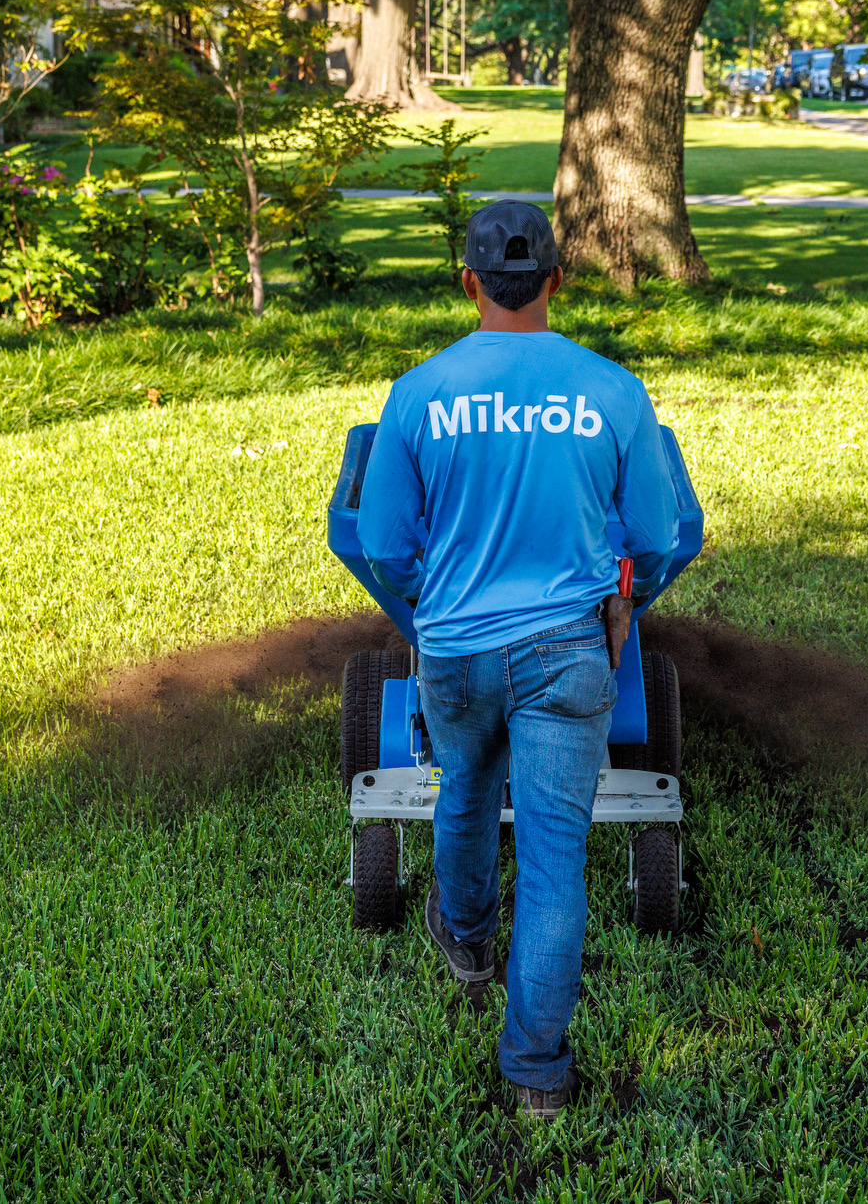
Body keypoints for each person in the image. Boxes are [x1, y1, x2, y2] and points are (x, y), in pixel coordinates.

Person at [356, 200, 679, 1120]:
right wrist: (623, 603)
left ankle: (465, 942)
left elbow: (383, 541)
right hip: (569, 653)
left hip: (455, 651)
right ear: (555, 281)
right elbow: (654, 537)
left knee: (462, 792)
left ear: (469, 283)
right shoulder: (612, 390)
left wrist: (436, 604)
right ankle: (536, 1073)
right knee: (551, 859)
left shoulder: (420, 392)